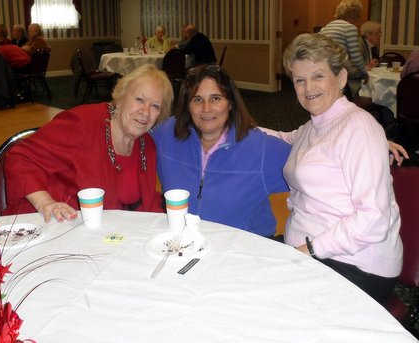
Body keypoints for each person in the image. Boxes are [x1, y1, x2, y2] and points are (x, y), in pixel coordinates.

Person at [261, 33, 402, 305]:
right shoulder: (315, 125)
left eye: (317, 76)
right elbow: (284, 138)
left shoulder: (359, 128)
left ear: (341, 78)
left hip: (357, 264)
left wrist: (309, 250)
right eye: (299, 80)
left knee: (268, 304)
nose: (307, 87)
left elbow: (373, 219)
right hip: (316, 253)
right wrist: (232, 126)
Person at [4, 64, 173, 222]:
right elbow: (20, 158)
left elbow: (145, 203)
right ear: (121, 98)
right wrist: (44, 202)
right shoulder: (82, 124)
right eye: (139, 99)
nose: (145, 111)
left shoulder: (147, 145)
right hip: (50, 225)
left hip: (104, 236)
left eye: (155, 106)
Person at [152, 64, 291, 237]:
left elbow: (315, 171)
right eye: (197, 100)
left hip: (243, 251)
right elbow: (130, 139)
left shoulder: (261, 148)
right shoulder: (167, 134)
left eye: (216, 98)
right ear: (188, 106)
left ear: (230, 103)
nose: (206, 109)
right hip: (184, 246)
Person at [319, 0, 367, 98]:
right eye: (359, 16)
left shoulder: (327, 27)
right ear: (354, 15)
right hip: (339, 67)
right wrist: (365, 73)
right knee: (361, 76)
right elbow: (356, 56)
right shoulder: (349, 28)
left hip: (325, 66)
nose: (359, 19)